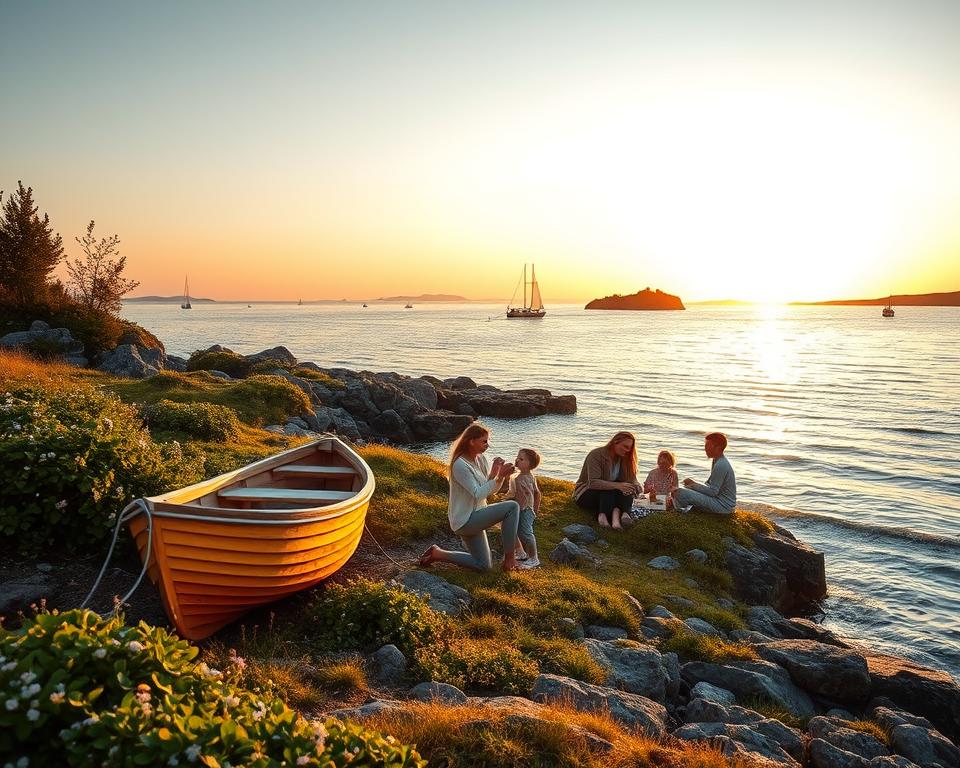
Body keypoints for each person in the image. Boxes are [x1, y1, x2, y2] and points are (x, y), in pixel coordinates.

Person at [418, 423, 521, 571]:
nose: (488, 445)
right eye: (484, 441)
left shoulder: (481, 459)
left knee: (483, 566)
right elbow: (477, 493)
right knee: (512, 507)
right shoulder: (459, 465)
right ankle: (510, 560)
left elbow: (488, 490)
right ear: (471, 441)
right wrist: (499, 477)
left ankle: (438, 553)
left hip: (478, 515)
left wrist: (495, 474)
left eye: (488, 441)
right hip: (465, 520)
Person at [573, 431, 641, 529]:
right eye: (625, 446)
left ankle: (620, 516)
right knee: (610, 488)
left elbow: (632, 479)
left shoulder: (625, 458)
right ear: (615, 442)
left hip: (610, 494)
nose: (627, 450)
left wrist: (637, 486)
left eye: (630, 448)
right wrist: (618, 486)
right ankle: (603, 516)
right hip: (587, 492)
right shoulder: (596, 454)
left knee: (627, 487)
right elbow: (593, 483)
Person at [672, 432, 736, 515]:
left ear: (718, 447)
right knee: (685, 488)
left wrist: (693, 485)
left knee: (680, 492)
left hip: (723, 506)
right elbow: (712, 488)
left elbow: (713, 492)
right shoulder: (717, 460)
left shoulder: (721, 465)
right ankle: (686, 509)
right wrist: (693, 485)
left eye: (708, 446)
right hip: (719, 501)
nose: (705, 449)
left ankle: (682, 512)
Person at [506, 448, 542, 569]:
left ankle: (533, 558)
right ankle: (521, 552)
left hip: (525, 509)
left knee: (526, 533)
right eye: (517, 457)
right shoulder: (517, 476)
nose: (517, 460)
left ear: (530, 465)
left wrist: (534, 510)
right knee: (514, 530)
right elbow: (515, 492)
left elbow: (536, 493)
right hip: (518, 508)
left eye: (521, 459)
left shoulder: (526, 477)